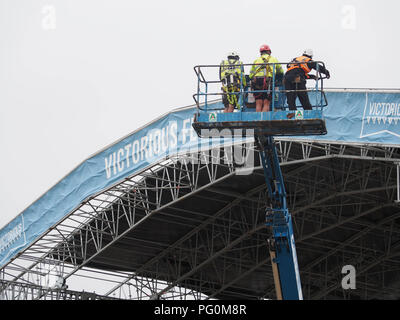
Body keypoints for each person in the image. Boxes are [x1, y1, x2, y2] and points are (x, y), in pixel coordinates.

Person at [249, 44, 283, 112]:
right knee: (266, 102)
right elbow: (280, 71)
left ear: (261, 52)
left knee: (258, 103)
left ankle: (258, 119)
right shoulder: (273, 59)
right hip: (268, 81)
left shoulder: (256, 60)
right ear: (269, 52)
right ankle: (263, 119)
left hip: (257, 81)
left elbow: (251, 75)